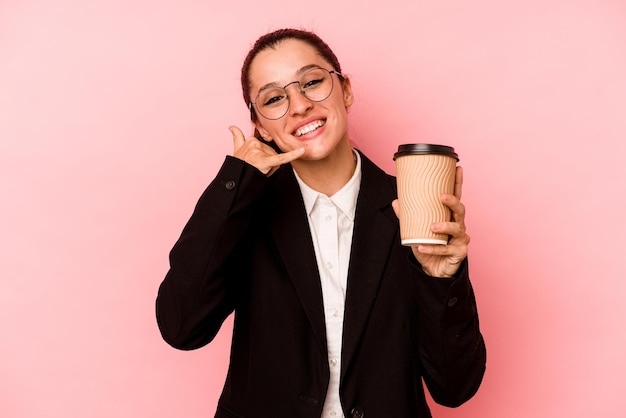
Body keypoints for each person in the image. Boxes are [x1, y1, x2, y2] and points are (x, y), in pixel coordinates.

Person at [156, 28, 486, 418]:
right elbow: (181, 328)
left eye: (311, 82)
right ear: (260, 126)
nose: (298, 105)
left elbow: (454, 387)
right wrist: (234, 183)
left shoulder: (411, 208)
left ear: (344, 90)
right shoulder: (242, 213)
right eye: (274, 98)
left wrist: (442, 279)